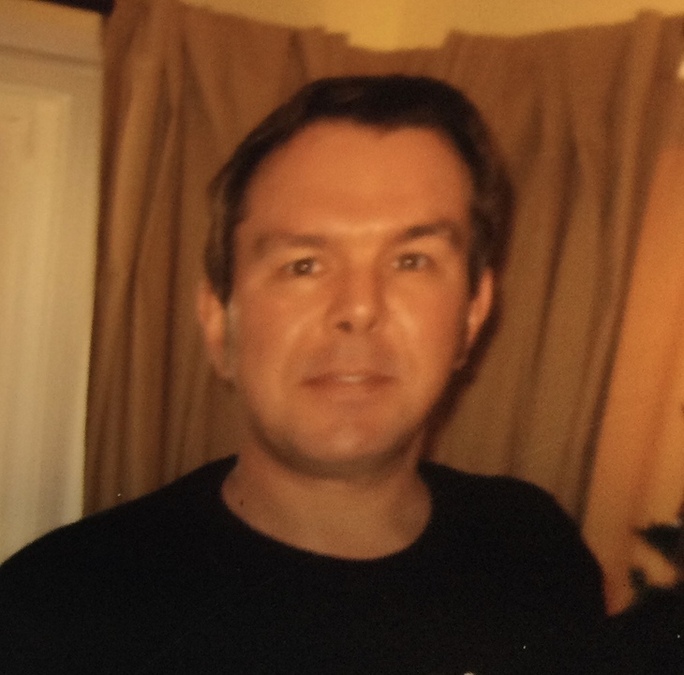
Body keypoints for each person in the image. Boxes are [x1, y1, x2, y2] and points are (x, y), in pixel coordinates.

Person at [0, 75, 618, 673]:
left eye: (412, 261)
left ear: (472, 315)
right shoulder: (57, 610)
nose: (359, 308)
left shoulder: (535, 548)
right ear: (218, 323)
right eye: (303, 265)